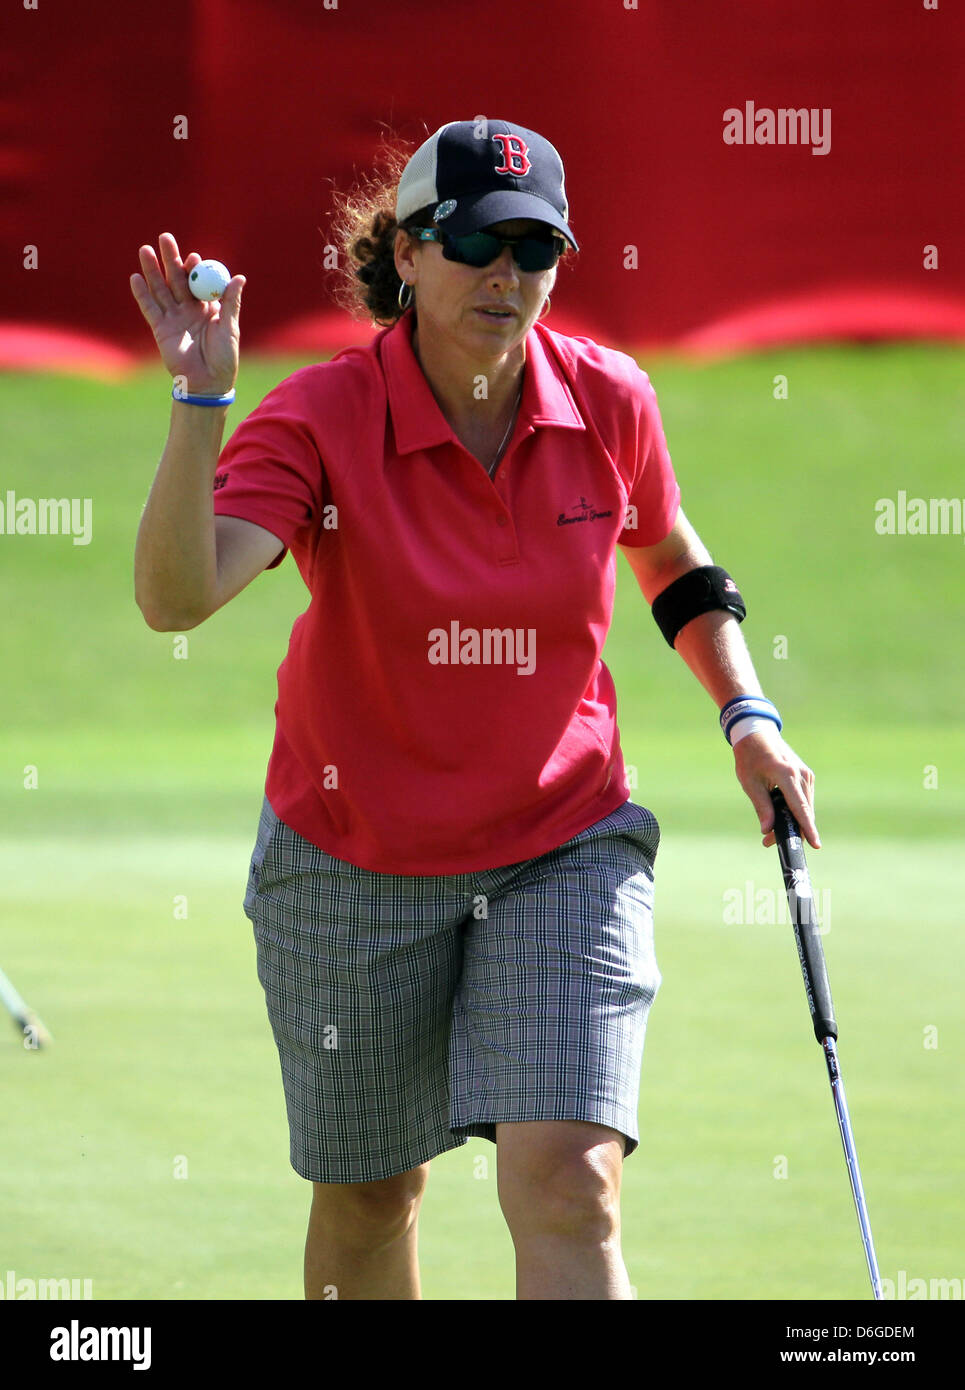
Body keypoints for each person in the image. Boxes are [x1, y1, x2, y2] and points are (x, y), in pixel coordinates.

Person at [131, 118, 820, 1302]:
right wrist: (203, 404)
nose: (507, 273)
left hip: (562, 840)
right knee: (370, 1197)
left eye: (536, 246)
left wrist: (744, 711)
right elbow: (176, 598)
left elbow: (668, 555)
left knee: (570, 1182)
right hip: (349, 856)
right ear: (407, 252)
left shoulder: (606, 400)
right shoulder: (317, 418)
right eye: (476, 242)